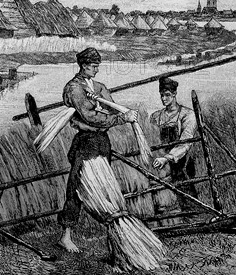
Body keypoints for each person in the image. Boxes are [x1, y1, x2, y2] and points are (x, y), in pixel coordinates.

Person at [57, 47, 138, 253]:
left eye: (98, 66)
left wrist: (125, 112)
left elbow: (110, 107)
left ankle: (114, 237)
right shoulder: (74, 88)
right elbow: (89, 116)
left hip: (102, 141)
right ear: (83, 66)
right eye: (94, 66)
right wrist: (120, 118)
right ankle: (65, 236)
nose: (97, 70)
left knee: (106, 189)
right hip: (86, 143)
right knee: (76, 187)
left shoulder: (99, 86)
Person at [149, 77, 198, 212]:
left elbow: (186, 142)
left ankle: (193, 216)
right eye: (162, 95)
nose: (164, 99)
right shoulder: (155, 116)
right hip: (160, 162)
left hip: (181, 160)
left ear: (175, 94)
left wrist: (168, 157)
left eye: (167, 95)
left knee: (185, 190)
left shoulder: (187, 114)